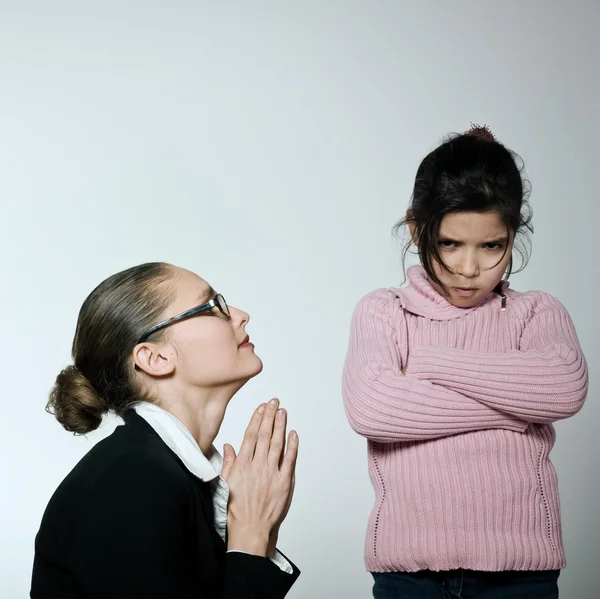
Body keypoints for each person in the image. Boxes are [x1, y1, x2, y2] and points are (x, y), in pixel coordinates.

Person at [342, 125, 588, 599]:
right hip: (408, 574)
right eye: (450, 243)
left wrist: (433, 365)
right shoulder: (385, 311)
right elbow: (373, 409)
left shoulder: (534, 312)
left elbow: (564, 388)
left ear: (513, 235)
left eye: (492, 246)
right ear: (417, 229)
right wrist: (518, 409)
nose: (470, 268)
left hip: (522, 574)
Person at [31, 262, 300, 598]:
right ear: (155, 358)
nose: (242, 315)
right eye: (213, 306)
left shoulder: (168, 473)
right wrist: (251, 538)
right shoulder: (132, 479)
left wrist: (255, 531)